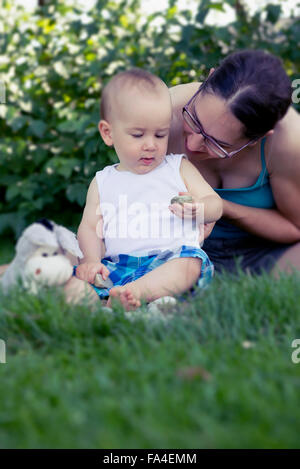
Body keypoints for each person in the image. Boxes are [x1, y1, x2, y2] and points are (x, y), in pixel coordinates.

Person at [67, 68, 222, 310]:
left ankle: (134, 294)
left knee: (190, 263)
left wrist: (201, 208)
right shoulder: (103, 181)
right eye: (138, 135)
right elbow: (89, 227)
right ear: (108, 133)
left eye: (160, 135)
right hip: (117, 265)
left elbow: (215, 204)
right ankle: (110, 304)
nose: (151, 145)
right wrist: (92, 260)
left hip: (170, 260)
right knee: (72, 282)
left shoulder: (177, 167)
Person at [167, 49, 300, 275]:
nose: (193, 144)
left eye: (217, 144)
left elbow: (294, 228)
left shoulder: (288, 141)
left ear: (258, 139)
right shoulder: (164, 110)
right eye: (194, 119)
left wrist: (221, 208)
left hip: (262, 251)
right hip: (174, 247)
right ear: (209, 77)